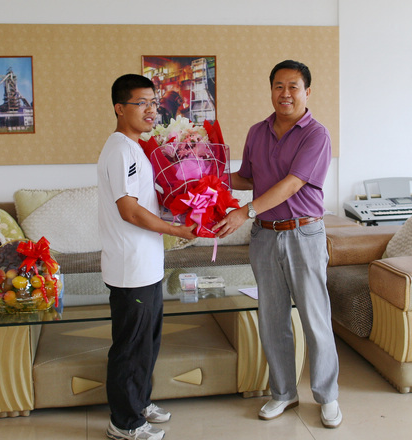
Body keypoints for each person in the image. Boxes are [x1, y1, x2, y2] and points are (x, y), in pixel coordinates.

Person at [215, 60, 342, 429]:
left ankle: (327, 397)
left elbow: (292, 183)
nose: (285, 94)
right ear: (271, 90)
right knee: (272, 320)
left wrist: (245, 211)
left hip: (304, 234)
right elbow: (247, 177)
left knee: (315, 318)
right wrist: (204, 175)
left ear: (307, 92)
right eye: (278, 86)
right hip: (265, 236)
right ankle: (284, 393)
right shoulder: (257, 132)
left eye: (293, 87)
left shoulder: (316, 134)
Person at [98, 74, 197, 440]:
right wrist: (176, 230)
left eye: (153, 103)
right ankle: (123, 423)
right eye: (142, 103)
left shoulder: (136, 148)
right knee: (130, 347)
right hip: (130, 267)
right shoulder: (121, 150)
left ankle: (139, 403)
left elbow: (146, 204)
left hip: (146, 265)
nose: (151, 110)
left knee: (147, 344)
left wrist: (177, 213)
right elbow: (129, 211)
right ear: (119, 108)